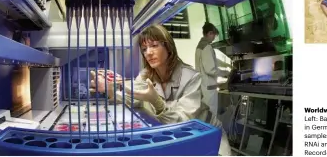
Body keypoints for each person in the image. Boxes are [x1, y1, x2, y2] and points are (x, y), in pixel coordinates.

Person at [90, 24, 232, 156]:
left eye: (154, 46)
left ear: (168, 46)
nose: (148, 53)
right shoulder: (146, 74)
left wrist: (156, 102)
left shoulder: (191, 77)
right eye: (144, 49)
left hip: (208, 134)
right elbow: (133, 97)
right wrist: (109, 90)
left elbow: (182, 121)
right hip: (181, 137)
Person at [195, 22, 230, 116]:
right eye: (214, 35)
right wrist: (226, 73)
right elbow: (211, 70)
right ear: (210, 33)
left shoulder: (200, 46)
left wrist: (225, 66)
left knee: (204, 115)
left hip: (203, 87)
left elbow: (208, 64)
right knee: (211, 115)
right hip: (209, 90)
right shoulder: (207, 47)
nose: (214, 38)